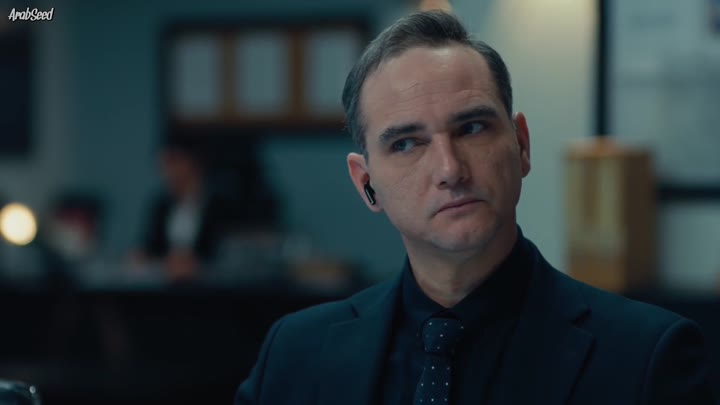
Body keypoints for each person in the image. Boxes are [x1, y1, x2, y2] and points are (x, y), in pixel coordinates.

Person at [234, 10, 715, 404]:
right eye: (406, 144)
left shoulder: (646, 357)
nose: (450, 169)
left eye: (471, 129)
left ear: (521, 145)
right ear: (366, 184)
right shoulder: (294, 354)